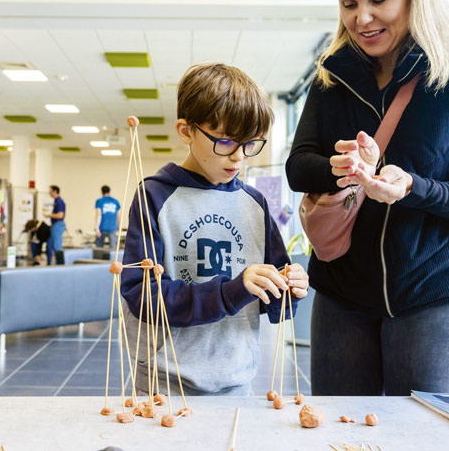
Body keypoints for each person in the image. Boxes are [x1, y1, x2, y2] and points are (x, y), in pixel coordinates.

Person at [285, 0, 449, 396]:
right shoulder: (334, 75)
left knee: (422, 435)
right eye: (349, 4)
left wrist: (411, 188)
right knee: (340, 429)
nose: (361, 18)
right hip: (345, 290)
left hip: (439, 290)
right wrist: (341, 167)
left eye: (378, 0)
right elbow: (299, 163)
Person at [120, 62, 309, 396]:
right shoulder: (155, 195)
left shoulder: (256, 204)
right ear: (186, 131)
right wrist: (229, 291)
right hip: (165, 385)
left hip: (238, 380)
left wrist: (290, 289)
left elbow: (273, 299)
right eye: (225, 142)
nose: (239, 158)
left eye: (251, 144)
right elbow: (140, 295)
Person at [42, 185, 66, 265]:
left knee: (57, 246)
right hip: (55, 225)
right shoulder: (56, 201)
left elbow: (60, 215)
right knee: (52, 245)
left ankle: (60, 264)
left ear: (55, 191)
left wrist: (49, 215)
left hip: (58, 225)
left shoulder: (59, 202)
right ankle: (55, 263)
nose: (49, 193)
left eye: (50, 191)